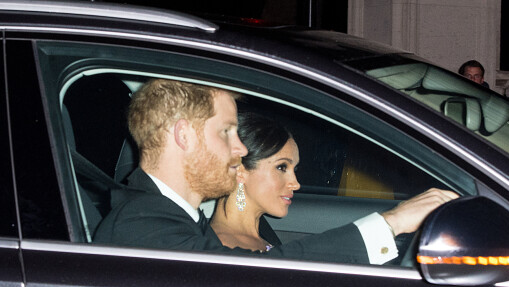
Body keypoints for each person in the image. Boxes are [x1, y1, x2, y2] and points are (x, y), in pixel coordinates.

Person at [94, 78, 458, 265]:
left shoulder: (176, 218)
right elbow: (252, 276)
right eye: (226, 132)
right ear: (184, 136)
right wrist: (391, 222)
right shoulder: (142, 223)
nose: (239, 150)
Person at [211, 113, 297, 251]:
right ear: (239, 170)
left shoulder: (259, 235)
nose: (295, 184)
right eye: (282, 167)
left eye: (294, 169)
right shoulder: (222, 250)